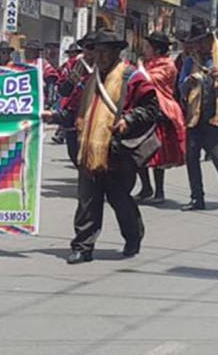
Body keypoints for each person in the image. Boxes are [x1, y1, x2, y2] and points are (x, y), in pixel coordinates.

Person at [41, 30, 159, 264]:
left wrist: (129, 120)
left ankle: (133, 235)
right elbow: (76, 112)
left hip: (117, 151)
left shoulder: (132, 77)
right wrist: (53, 116)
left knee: (119, 199)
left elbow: (151, 108)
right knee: (87, 201)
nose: (101, 56)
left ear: (116, 52)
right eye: (98, 52)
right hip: (88, 149)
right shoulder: (87, 80)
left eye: (106, 52)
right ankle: (83, 247)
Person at [178, 24, 218, 210]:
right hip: (195, 116)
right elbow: (181, 87)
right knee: (191, 157)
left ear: (210, 39)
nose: (198, 46)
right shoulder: (189, 62)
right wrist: (188, 82)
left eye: (201, 41)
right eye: (195, 42)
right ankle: (197, 198)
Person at [134, 33, 186, 204]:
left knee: (158, 153)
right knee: (139, 151)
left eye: (147, 47)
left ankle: (159, 191)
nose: (145, 50)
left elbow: (149, 81)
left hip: (162, 109)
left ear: (156, 49)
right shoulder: (149, 63)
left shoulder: (167, 65)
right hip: (144, 108)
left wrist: (140, 67)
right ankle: (146, 187)